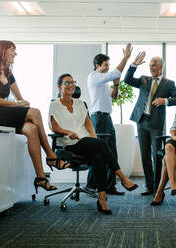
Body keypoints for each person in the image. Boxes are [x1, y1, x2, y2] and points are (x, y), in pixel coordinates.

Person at [0, 40, 68, 194]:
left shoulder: (9, 74)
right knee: (35, 112)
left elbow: (20, 99)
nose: (15, 53)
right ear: (2, 51)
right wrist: (20, 105)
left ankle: (41, 177)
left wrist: (22, 103)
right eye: (12, 50)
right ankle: (51, 155)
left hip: (2, 115)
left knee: (31, 129)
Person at [49, 73, 138, 215]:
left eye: (73, 82)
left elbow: (88, 124)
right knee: (101, 146)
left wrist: (94, 139)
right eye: (67, 83)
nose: (72, 85)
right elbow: (54, 127)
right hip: (70, 143)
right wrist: (67, 132)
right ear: (59, 86)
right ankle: (122, 177)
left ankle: (102, 199)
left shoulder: (80, 103)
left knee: (99, 156)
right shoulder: (54, 104)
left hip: (86, 141)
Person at [124, 53, 176, 196]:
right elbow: (127, 80)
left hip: (156, 124)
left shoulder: (169, 83)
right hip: (141, 121)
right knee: (145, 156)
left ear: (161, 67)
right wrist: (134, 65)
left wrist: (165, 100)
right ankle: (149, 187)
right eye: (150, 65)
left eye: (154, 65)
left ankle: (158, 188)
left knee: (157, 155)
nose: (151, 68)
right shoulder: (144, 80)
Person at [86, 44, 132, 195]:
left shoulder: (103, 82)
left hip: (107, 118)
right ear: (97, 66)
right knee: (98, 153)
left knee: (112, 153)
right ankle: (92, 185)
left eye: (108, 66)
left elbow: (114, 96)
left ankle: (110, 186)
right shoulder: (94, 77)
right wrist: (125, 58)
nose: (108, 68)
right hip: (98, 118)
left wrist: (116, 85)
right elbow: (116, 72)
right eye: (105, 65)